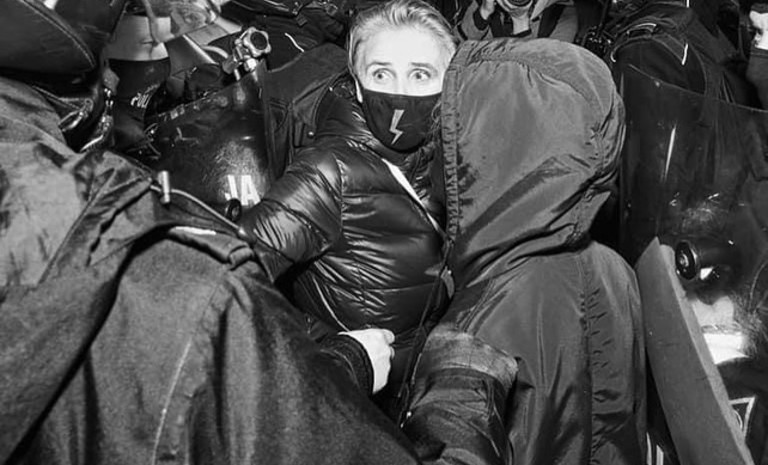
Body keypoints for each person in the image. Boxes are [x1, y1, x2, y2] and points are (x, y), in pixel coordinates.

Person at [0, 1, 427, 463]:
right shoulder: (168, 265)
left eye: (422, 74)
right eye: (381, 74)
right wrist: (350, 362)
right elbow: (244, 401)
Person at [399, 38, 647, 465]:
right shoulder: (616, 269)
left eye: (450, 136)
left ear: (489, 152)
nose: (439, 151)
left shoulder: (479, 322)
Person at [237, 0, 457, 415]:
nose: (400, 92)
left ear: (452, 83)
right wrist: (328, 352)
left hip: (420, 399)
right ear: (356, 86)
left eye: (421, 74)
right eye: (381, 73)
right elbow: (224, 281)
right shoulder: (328, 172)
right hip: (356, 413)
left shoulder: (453, 161)